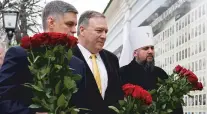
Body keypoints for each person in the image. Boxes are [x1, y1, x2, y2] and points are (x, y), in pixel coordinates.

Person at [0, 1, 85, 114]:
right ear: (51, 22)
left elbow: (83, 105)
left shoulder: (78, 64)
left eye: (75, 25)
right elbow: (4, 99)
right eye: (69, 24)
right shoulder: (20, 55)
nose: (74, 30)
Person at [119, 26, 183, 114]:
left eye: (152, 48)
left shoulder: (160, 73)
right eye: (145, 48)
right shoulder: (123, 73)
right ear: (135, 53)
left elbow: (175, 103)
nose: (150, 51)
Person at [72, 10, 123, 114]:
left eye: (106, 31)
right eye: (99, 31)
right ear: (82, 30)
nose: (104, 36)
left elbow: (117, 96)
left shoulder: (112, 59)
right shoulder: (68, 58)